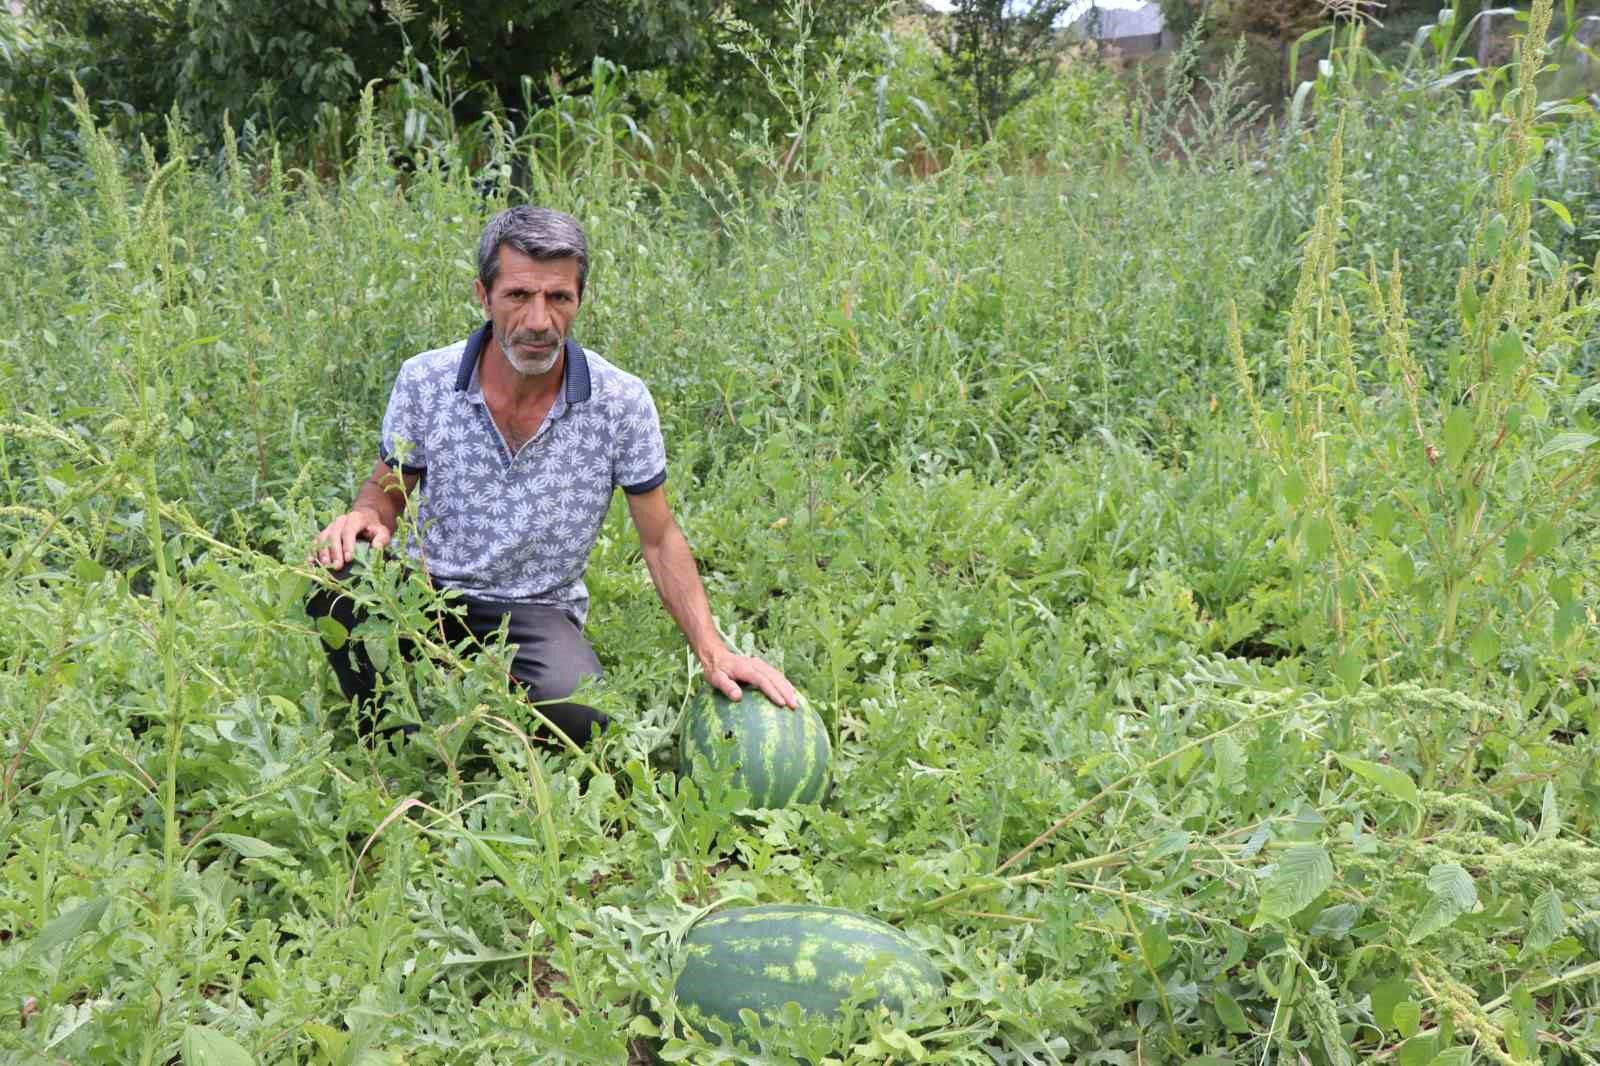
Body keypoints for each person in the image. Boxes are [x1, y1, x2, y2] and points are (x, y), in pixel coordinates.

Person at [308, 205, 796, 744]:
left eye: (558, 298)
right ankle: (388, 736)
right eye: (519, 295)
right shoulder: (426, 380)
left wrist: (713, 649)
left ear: (578, 301)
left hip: (535, 611)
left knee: (584, 720)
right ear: (483, 295)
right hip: (427, 592)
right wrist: (362, 517)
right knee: (338, 576)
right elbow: (386, 492)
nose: (539, 321)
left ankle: (492, 685)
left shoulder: (620, 401)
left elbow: (659, 540)